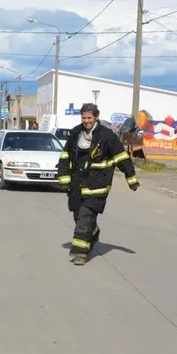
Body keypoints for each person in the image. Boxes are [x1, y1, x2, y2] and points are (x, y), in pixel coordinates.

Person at [56, 103, 140, 266]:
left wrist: (131, 179)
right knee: (78, 215)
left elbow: (121, 158)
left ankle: (80, 252)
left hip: (97, 185)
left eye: (89, 118)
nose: (86, 121)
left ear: (96, 117)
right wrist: (64, 179)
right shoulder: (75, 133)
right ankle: (93, 233)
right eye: (84, 118)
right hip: (77, 184)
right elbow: (65, 156)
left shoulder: (107, 136)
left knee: (85, 217)